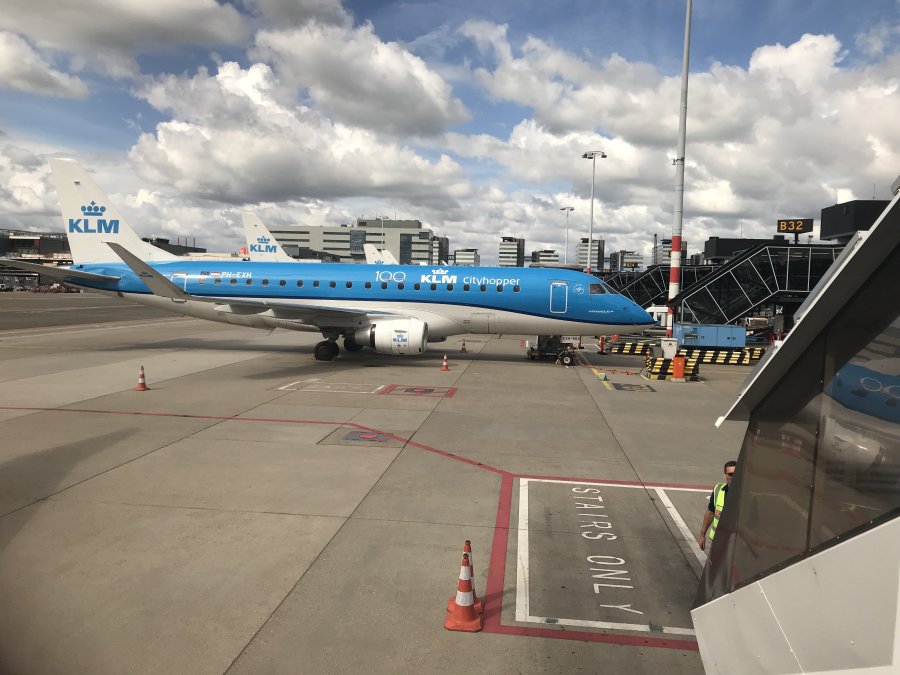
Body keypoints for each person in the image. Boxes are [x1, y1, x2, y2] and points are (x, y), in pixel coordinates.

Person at [698, 461, 736, 551]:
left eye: (736, 474)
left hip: (736, 544)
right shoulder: (718, 490)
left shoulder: (747, 495)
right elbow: (710, 513)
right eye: (730, 474)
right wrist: (702, 535)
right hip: (717, 541)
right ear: (725, 475)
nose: (734, 477)